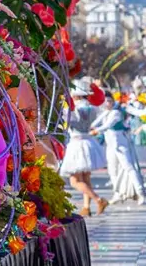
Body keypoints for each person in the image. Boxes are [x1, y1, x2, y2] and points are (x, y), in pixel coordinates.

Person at [60, 78, 108, 216]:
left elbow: (68, 119)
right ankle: (86, 207)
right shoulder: (92, 108)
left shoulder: (74, 109)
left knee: (74, 181)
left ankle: (98, 199)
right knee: (86, 178)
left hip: (77, 143)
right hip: (88, 141)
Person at [91, 91, 146, 205]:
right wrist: (89, 127)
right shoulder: (106, 112)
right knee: (112, 170)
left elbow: (107, 125)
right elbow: (96, 122)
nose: (107, 104)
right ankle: (118, 193)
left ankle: (140, 192)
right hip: (110, 145)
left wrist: (95, 130)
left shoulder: (116, 113)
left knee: (129, 167)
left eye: (110, 101)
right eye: (106, 102)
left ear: (113, 101)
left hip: (121, 144)